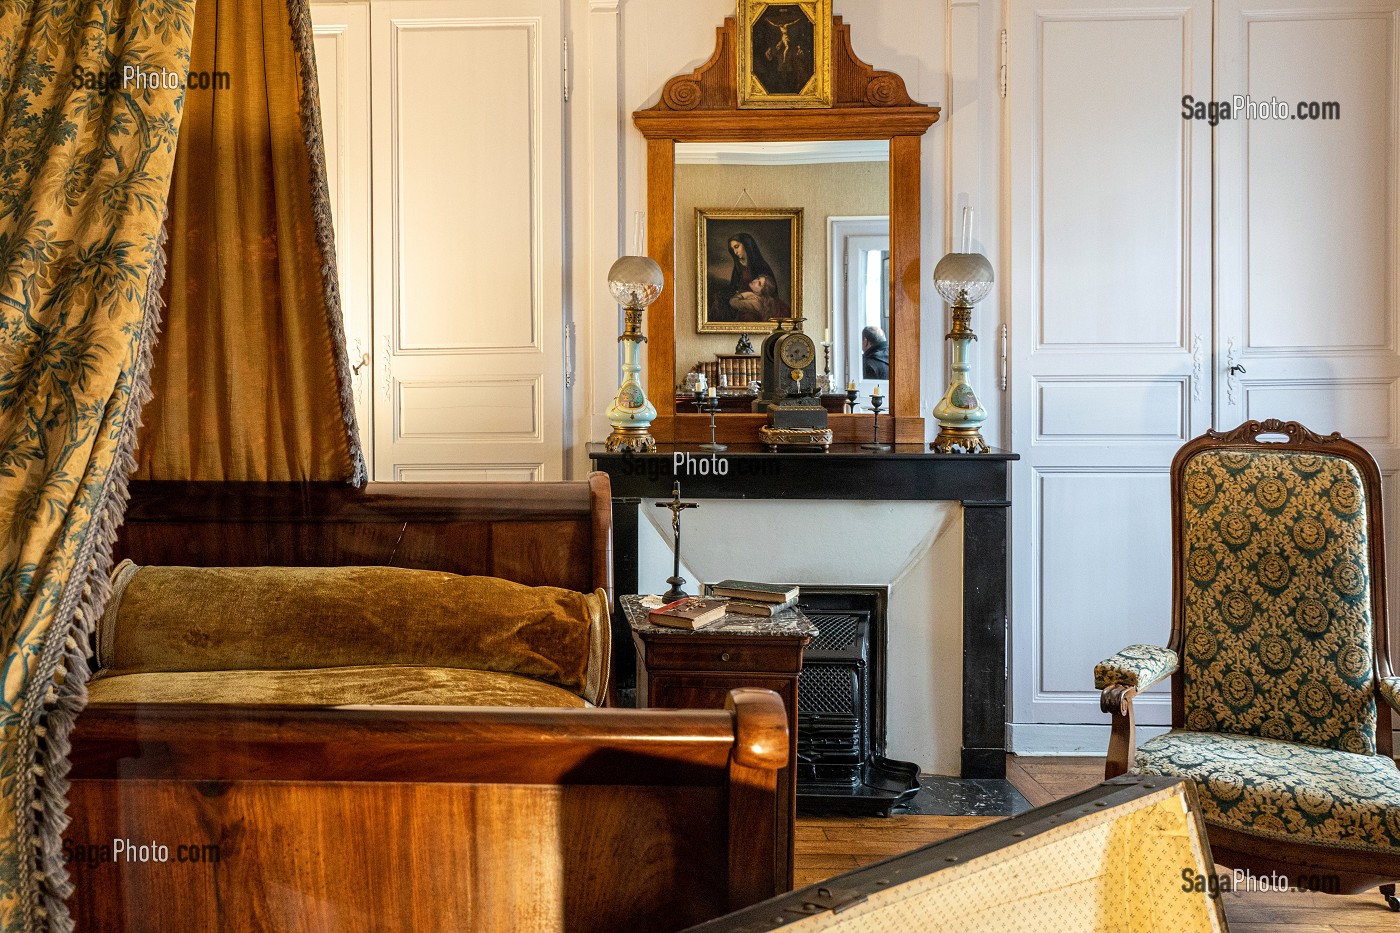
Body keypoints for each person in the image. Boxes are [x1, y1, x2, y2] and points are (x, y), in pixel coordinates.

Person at [713, 233, 790, 323]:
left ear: (746, 245)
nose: (735, 252)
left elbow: (768, 290)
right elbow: (734, 285)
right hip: (741, 295)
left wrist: (747, 295)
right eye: (732, 249)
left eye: (737, 247)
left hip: (755, 298)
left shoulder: (761, 265)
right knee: (718, 298)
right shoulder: (738, 265)